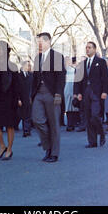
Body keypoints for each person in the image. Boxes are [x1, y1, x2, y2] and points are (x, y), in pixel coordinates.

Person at [32, 32, 66, 163]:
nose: (39, 44)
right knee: (37, 120)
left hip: (52, 93)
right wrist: (32, 95)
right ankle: (47, 147)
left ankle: (54, 154)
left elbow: (61, 77)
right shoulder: (37, 58)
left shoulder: (57, 56)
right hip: (38, 94)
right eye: (38, 42)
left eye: (41, 41)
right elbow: (34, 79)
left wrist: (58, 94)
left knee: (54, 124)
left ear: (48, 42)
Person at [0, 41, 21, 160]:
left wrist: (18, 98)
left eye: (0, 49)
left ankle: (9, 149)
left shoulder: (12, 66)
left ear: (6, 51)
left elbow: (16, 84)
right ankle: (2, 145)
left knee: (9, 125)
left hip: (9, 98)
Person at [74, 41, 108, 148]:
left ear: (94, 49)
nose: (87, 49)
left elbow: (105, 78)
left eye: (89, 47)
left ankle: (101, 133)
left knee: (95, 116)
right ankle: (92, 142)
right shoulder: (82, 64)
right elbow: (78, 80)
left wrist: (105, 91)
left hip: (96, 93)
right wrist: (77, 93)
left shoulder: (101, 62)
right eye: (86, 48)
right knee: (88, 117)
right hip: (85, 93)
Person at [18, 60, 34, 137]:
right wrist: (18, 99)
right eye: (28, 65)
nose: (29, 67)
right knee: (23, 115)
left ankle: (27, 130)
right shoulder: (18, 76)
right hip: (22, 98)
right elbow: (16, 89)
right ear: (24, 66)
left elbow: (33, 87)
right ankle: (25, 130)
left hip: (29, 98)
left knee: (28, 114)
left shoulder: (31, 75)